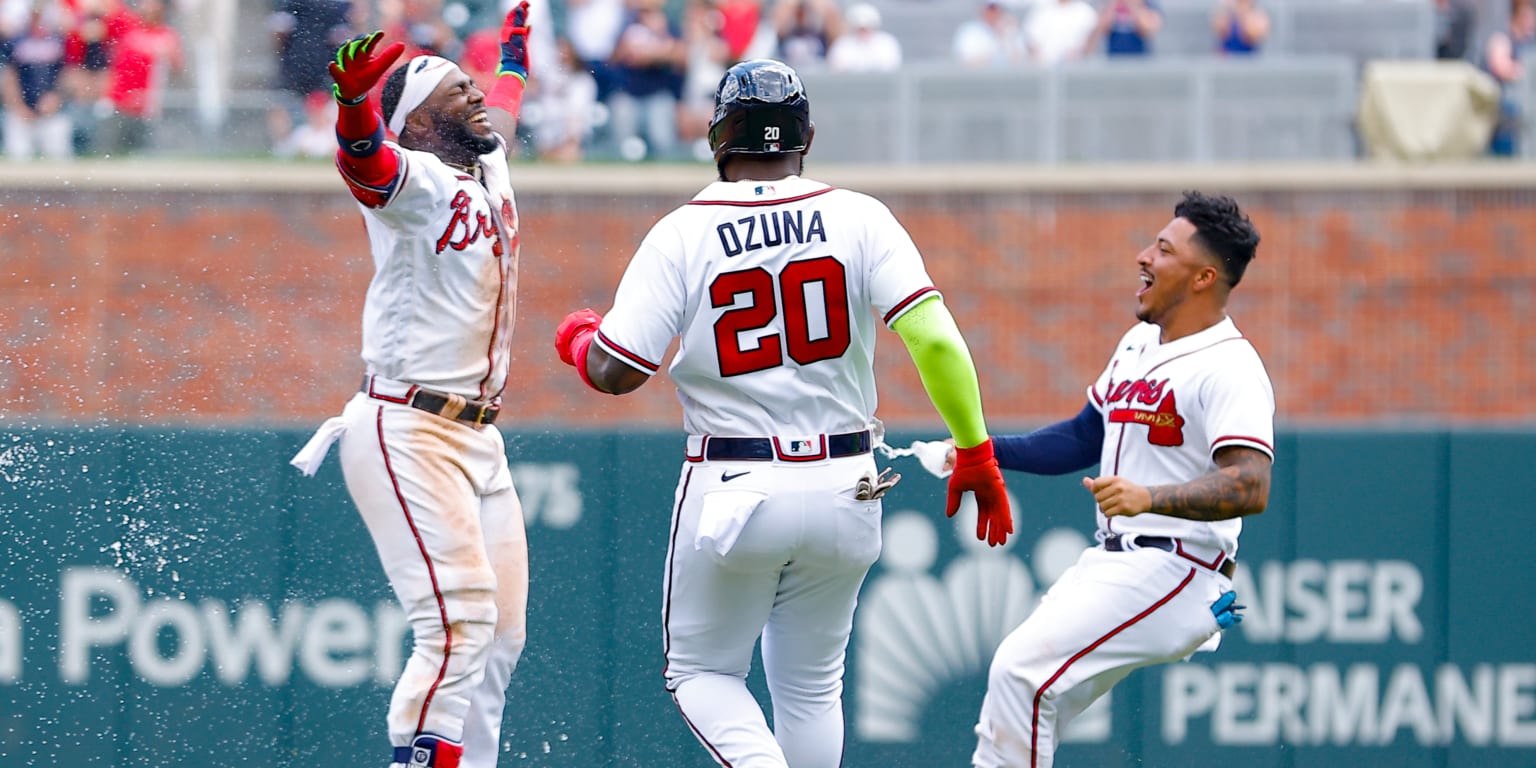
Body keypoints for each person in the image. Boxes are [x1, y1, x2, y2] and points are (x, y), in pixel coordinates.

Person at [551, 58, 1013, 768]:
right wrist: (976, 450)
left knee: (702, 675)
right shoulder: (861, 215)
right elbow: (932, 337)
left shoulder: (686, 229)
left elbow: (618, 372)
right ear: (807, 136)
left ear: (717, 138)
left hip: (736, 484)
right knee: (810, 689)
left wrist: (579, 339)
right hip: (848, 483)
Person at [287, 5, 534, 767]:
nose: (477, 96)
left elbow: (509, 109)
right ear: (420, 123)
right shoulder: (417, 180)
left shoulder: (486, 165)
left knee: (500, 636)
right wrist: (356, 107)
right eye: (458, 91)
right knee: (458, 622)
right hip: (409, 422)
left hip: (476, 432)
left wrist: (517, 54)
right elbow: (365, 164)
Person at [952, 191, 1271, 768]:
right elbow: (1082, 437)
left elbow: (1251, 484)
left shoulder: (1231, 367)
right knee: (1026, 704)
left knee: (1020, 674)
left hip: (1179, 567)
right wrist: (980, 452)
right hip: (1116, 561)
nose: (1144, 256)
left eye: (1164, 249)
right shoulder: (1140, 343)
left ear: (1203, 276)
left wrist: (1151, 497)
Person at [1482, 0, 1536, 156]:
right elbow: (1501, 67)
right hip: (1507, 100)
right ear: (1518, 15)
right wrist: (1523, 71)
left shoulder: (1531, 42)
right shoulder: (1502, 39)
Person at [826, 3, 902, 73]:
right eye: (860, 28)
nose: (863, 32)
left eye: (866, 28)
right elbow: (837, 70)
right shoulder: (843, 44)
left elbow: (891, 68)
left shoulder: (887, 43)